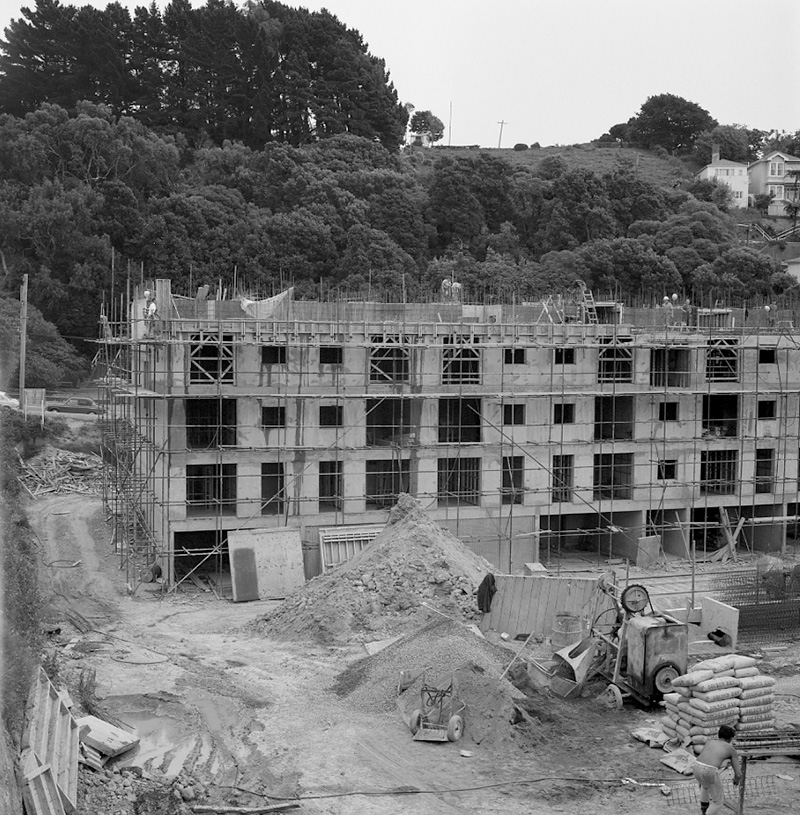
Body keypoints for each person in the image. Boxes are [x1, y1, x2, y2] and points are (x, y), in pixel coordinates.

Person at [692, 725, 742, 815]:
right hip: (709, 770)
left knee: (705, 785)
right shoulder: (731, 749)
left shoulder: (710, 742)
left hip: (696, 766)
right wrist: (736, 781)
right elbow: (738, 774)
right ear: (730, 738)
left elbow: (709, 758)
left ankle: (704, 810)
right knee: (718, 802)